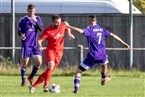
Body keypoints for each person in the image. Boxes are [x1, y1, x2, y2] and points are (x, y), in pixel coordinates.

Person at [64, 15, 130, 93]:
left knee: (79, 72)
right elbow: (113, 35)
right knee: (104, 65)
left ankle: (76, 89)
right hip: (102, 55)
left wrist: (68, 26)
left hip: (92, 55)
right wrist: (124, 43)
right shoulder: (102, 29)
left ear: (89, 20)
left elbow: (80, 31)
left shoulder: (89, 29)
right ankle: (103, 79)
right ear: (96, 21)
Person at [29, 14, 75, 93]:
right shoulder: (48, 30)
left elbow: (67, 27)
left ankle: (34, 86)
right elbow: (39, 40)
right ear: (53, 22)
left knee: (48, 71)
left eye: (59, 22)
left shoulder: (62, 25)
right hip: (50, 51)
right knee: (51, 65)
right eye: (57, 22)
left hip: (59, 53)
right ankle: (45, 86)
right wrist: (40, 46)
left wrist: (69, 34)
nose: (58, 24)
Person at [18, 4, 43, 87]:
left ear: (34, 11)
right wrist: (21, 34)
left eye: (33, 11)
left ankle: (31, 77)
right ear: (27, 11)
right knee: (25, 63)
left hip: (35, 45)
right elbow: (19, 31)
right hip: (26, 44)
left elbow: (40, 29)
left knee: (39, 62)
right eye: (30, 11)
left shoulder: (38, 18)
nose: (31, 12)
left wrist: (35, 21)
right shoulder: (23, 20)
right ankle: (23, 81)